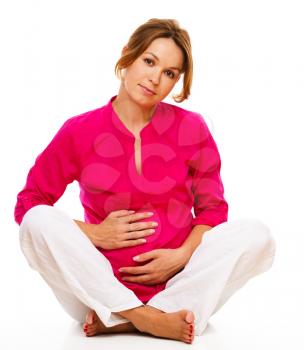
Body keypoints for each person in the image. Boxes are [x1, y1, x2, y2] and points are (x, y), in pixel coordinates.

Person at [15, 18, 276, 344]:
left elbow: (212, 212)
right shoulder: (79, 131)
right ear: (127, 56)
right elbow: (29, 203)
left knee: (258, 236)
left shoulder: (191, 128)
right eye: (149, 61)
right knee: (37, 221)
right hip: (95, 289)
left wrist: (180, 256)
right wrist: (96, 234)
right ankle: (143, 317)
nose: (155, 78)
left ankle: (124, 319)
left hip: (180, 284)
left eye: (170, 73)